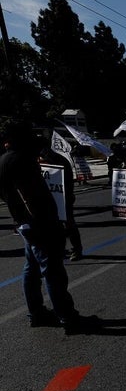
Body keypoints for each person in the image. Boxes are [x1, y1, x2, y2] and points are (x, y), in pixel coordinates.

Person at [0, 121, 93, 330]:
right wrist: (48, 222)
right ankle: (67, 317)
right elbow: (30, 196)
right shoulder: (22, 160)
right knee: (53, 272)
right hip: (40, 224)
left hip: (23, 223)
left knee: (31, 269)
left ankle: (36, 312)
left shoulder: (3, 161)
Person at [38, 143, 83, 261]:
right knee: (55, 226)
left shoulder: (59, 161)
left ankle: (77, 249)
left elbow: (67, 181)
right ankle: (61, 249)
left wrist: (68, 196)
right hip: (49, 199)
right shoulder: (37, 161)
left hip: (63, 198)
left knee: (69, 225)